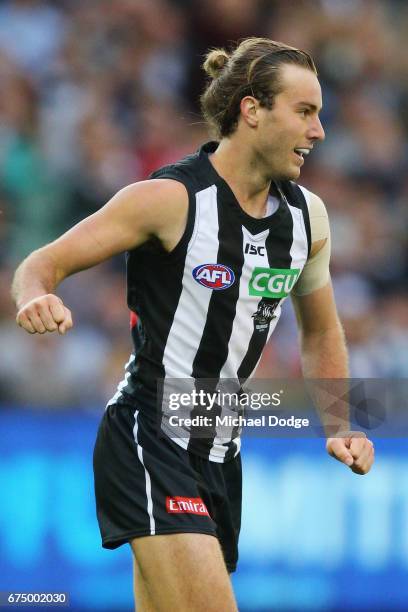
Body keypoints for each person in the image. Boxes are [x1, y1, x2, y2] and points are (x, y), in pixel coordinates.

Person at [12, 38, 374, 612]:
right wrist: (35, 296)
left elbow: (321, 330)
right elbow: (43, 262)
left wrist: (340, 423)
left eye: (320, 114)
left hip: (221, 452)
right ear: (252, 110)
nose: (319, 131)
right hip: (150, 433)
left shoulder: (308, 217)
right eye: (304, 112)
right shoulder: (170, 199)